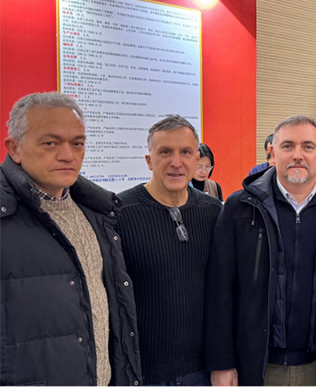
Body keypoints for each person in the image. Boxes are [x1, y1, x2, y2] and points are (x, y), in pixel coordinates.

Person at [205, 115, 316, 386]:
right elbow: (220, 289)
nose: (297, 155)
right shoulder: (240, 209)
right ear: (273, 153)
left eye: (307, 146)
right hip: (256, 365)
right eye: (288, 146)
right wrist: (221, 362)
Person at [0, 92, 142, 386]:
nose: (68, 155)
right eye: (50, 143)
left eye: (77, 143)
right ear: (15, 149)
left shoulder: (97, 212)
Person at [117, 115, 223, 386]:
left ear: (196, 159)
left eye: (185, 152)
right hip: (143, 372)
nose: (176, 162)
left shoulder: (214, 212)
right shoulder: (119, 213)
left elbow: (225, 291)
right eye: (165, 152)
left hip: (203, 371)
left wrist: (223, 360)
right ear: (149, 160)